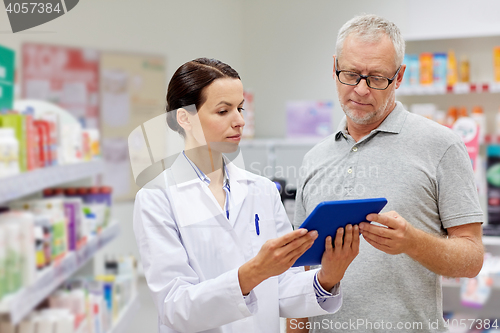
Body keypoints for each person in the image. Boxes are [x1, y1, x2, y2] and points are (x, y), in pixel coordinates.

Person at [133, 58, 360, 333]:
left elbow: (281, 290)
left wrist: (328, 276)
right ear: (185, 118)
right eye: (223, 111)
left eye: (240, 108)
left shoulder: (262, 190)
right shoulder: (157, 198)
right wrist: (253, 273)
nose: (239, 121)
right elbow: (175, 307)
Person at [289, 15, 484, 333]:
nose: (361, 90)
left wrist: (413, 242)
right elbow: (301, 271)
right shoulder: (314, 158)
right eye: (350, 75)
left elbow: (472, 257)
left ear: (399, 76)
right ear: (334, 66)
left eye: (377, 78)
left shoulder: (441, 145)